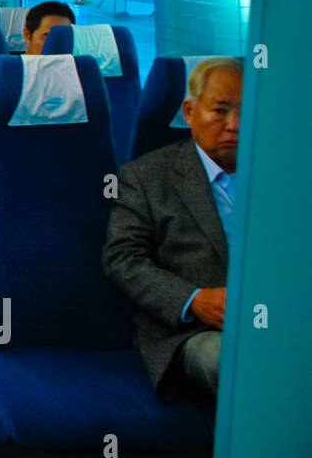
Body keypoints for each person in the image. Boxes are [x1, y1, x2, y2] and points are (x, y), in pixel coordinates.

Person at [102, 57, 242, 401]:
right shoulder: (147, 177)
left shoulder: (285, 174)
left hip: (277, 317)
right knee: (235, 363)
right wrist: (193, 299)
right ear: (190, 112)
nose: (234, 125)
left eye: (246, 112)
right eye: (220, 111)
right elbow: (122, 259)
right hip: (194, 331)